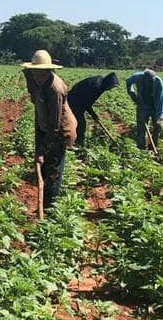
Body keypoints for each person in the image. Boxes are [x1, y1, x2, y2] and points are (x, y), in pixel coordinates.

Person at [22, 49, 77, 209]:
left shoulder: (55, 89)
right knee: (44, 169)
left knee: (53, 171)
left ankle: (49, 211)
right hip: (46, 128)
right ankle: (45, 205)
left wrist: (41, 151)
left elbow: (54, 125)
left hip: (60, 132)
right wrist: (39, 148)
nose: (38, 77)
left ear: (49, 71)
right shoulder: (37, 82)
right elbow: (40, 112)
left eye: (42, 73)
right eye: (35, 73)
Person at [67, 72, 119, 149]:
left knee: (78, 122)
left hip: (78, 98)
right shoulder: (96, 86)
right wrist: (93, 115)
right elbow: (87, 103)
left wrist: (93, 114)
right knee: (81, 124)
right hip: (74, 100)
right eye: (111, 86)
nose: (110, 89)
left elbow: (88, 102)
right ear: (108, 83)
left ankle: (76, 141)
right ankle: (78, 144)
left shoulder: (101, 83)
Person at [126, 69, 163, 149]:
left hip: (155, 107)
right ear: (144, 79)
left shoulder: (158, 83)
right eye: (148, 81)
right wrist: (132, 94)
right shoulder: (137, 77)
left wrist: (159, 119)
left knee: (157, 126)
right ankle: (141, 147)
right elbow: (128, 81)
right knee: (141, 127)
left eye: (151, 81)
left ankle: (153, 146)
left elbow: (160, 102)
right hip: (142, 106)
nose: (149, 83)